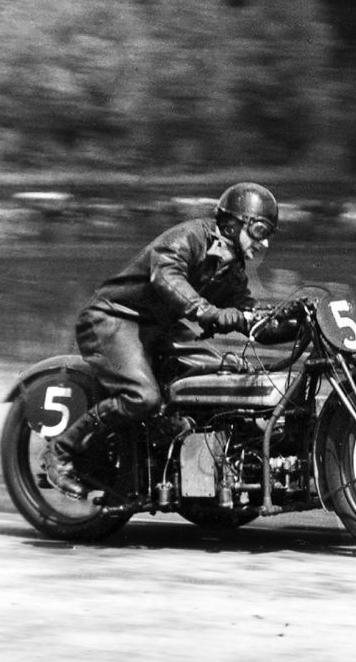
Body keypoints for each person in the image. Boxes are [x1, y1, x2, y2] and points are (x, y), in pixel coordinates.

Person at [40, 182, 279, 499]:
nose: (262, 243)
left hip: (159, 330)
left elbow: (249, 315)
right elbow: (166, 276)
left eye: (268, 234)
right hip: (114, 319)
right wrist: (206, 311)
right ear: (233, 223)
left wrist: (290, 321)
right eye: (259, 229)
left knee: (225, 375)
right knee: (143, 398)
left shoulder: (231, 270)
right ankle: (60, 452)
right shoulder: (191, 236)